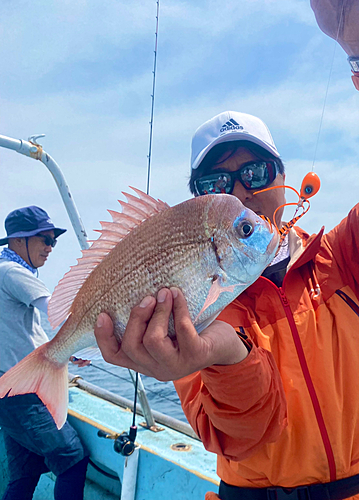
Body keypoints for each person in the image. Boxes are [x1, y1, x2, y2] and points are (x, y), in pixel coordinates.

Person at [92, 3, 359, 499]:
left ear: (283, 177)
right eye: (217, 183)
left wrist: (357, 48)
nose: (240, 191)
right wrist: (227, 359)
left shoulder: (346, 254)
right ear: (201, 205)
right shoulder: (190, 306)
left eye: (255, 172)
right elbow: (242, 438)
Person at [0, 206, 89, 500]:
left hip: (8, 388)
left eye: (54, 241)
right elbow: (55, 312)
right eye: (44, 240)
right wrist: (97, 338)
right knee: (71, 458)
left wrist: (68, 350)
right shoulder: (12, 272)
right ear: (17, 241)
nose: (50, 248)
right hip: (21, 393)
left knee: (25, 475)